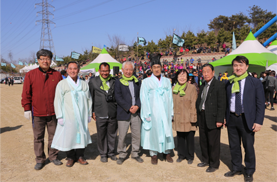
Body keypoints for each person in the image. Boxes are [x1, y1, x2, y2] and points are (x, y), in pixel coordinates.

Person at [224, 56, 265, 182]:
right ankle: (236, 167)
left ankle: (249, 170)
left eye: (241, 65)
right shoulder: (229, 82)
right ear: (233, 67)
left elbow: (260, 103)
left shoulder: (255, 82)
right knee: (234, 146)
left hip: (247, 119)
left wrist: (258, 121)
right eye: (236, 65)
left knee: (248, 146)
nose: (238, 68)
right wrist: (225, 117)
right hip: (231, 118)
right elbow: (226, 101)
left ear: (246, 67)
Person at [21, 49, 63, 170]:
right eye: (42, 59)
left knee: (54, 136)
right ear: (38, 60)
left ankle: (53, 156)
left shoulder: (57, 75)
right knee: (38, 137)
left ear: (51, 60)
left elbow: (62, 94)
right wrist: (27, 108)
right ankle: (40, 159)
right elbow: (26, 93)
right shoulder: (31, 75)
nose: (45, 61)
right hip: (38, 113)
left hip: (54, 112)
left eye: (48, 58)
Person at [51, 61, 92, 167]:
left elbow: (89, 99)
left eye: (75, 68)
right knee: (69, 135)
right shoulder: (62, 84)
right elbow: (58, 101)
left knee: (81, 134)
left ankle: (80, 156)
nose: (73, 71)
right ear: (67, 70)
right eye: (70, 68)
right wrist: (59, 116)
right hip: (68, 115)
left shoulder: (83, 84)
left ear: (78, 70)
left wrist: (88, 113)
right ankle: (70, 157)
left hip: (82, 115)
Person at [140, 53, 174, 165]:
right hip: (153, 111)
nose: (156, 69)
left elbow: (170, 97)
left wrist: (171, 111)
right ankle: (153, 154)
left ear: (161, 68)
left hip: (166, 110)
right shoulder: (146, 82)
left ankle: (167, 152)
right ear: (151, 69)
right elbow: (143, 98)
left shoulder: (166, 81)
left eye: (158, 67)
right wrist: (147, 113)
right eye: (154, 67)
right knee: (153, 132)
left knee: (166, 130)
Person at [196, 64, 226, 173]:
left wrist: (220, 119)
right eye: (203, 71)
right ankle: (205, 160)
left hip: (213, 118)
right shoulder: (203, 85)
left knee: (213, 142)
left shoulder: (219, 85)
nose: (205, 74)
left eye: (208, 71)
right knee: (203, 140)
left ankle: (214, 164)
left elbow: (222, 103)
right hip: (202, 115)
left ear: (213, 72)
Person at [114, 61, 143, 165]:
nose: (128, 71)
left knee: (136, 134)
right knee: (122, 135)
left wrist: (137, 106)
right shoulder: (118, 82)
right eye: (126, 69)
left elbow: (141, 95)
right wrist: (128, 107)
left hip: (136, 112)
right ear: (122, 70)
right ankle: (122, 154)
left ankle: (135, 153)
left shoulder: (137, 81)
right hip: (124, 112)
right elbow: (118, 97)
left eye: (130, 69)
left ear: (133, 70)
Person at [89, 62, 118, 163]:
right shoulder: (93, 82)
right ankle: (103, 154)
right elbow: (91, 97)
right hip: (99, 111)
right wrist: (92, 111)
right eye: (103, 71)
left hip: (112, 111)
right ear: (99, 71)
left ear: (109, 71)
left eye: (106, 71)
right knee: (101, 134)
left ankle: (111, 152)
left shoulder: (114, 80)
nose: (105, 73)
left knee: (112, 134)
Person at [172, 69, 197, 164]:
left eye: (184, 76)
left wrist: (193, 117)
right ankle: (181, 155)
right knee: (180, 138)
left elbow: (193, 102)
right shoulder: (173, 89)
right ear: (177, 77)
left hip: (188, 116)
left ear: (187, 77)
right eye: (180, 76)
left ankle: (190, 156)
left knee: (190, 138)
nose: (182, 78)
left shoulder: (191, 88)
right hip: (178, 116)